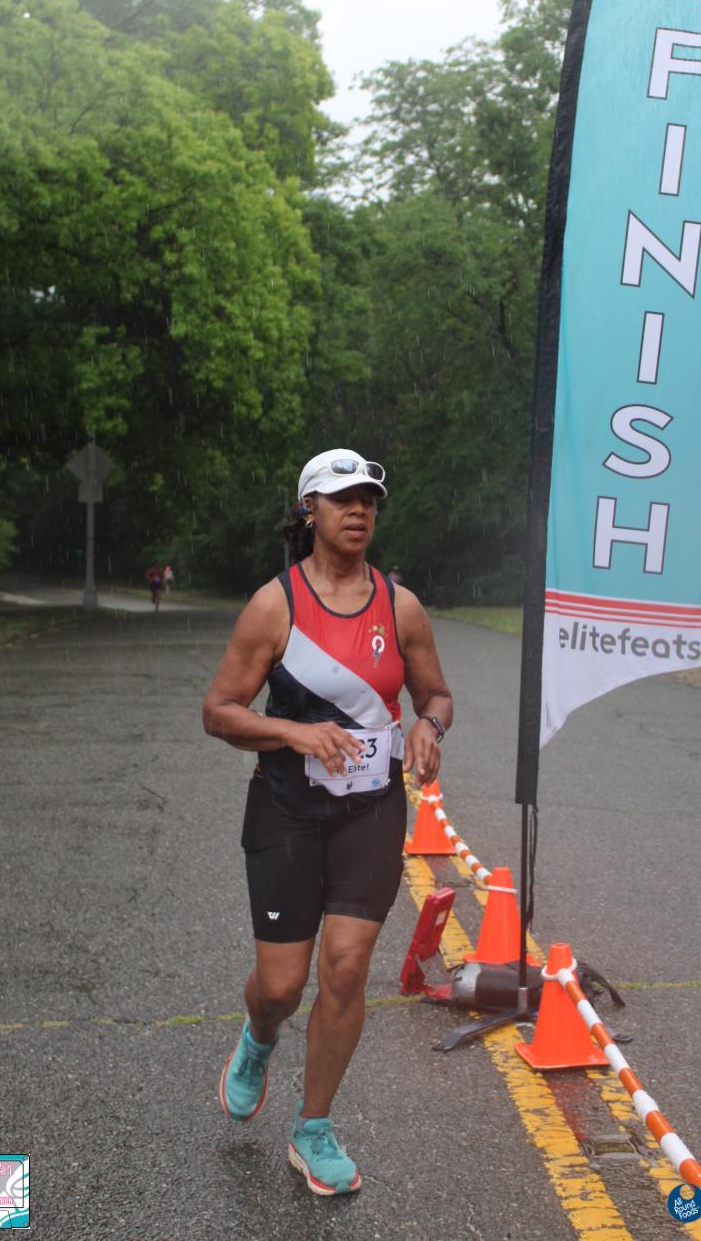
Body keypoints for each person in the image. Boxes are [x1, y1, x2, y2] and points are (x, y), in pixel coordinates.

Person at [202, 448, 452, 1196]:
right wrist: (292, 732)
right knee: (282, 986)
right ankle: (260, 1037)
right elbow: (219, 711)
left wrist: (429, 727)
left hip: (370, 810)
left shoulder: (400, 606)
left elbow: (437, 695)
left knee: (346, 967)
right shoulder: (274, 605)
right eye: (343, 498)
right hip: (286, 810)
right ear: (309, 510)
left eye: (368, 498)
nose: (359, 509)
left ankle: (313, 1128)